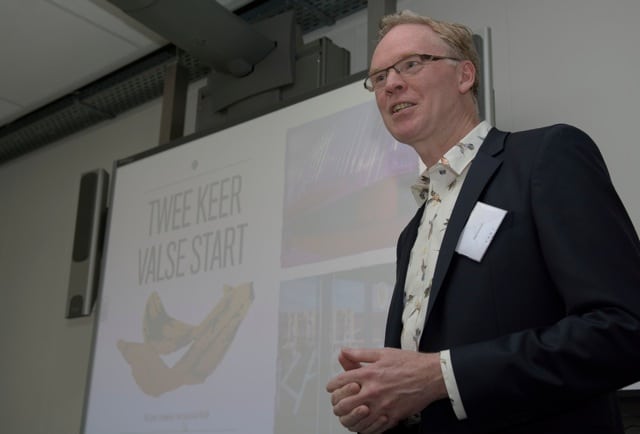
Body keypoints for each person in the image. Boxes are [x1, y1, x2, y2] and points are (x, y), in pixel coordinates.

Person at [326, 10, 640, 434]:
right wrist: (383, 405)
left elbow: (625, 328)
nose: (391, 84)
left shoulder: (544, 157)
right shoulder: (410, 234)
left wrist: (442, 376)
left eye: (411, 64)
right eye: (379, 77)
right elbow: (419, 385)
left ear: (464, 75)